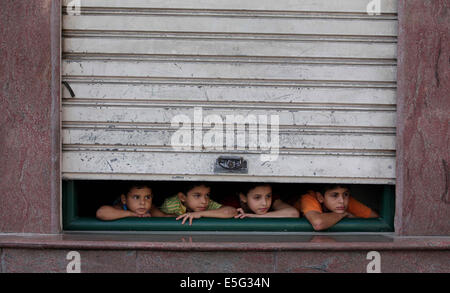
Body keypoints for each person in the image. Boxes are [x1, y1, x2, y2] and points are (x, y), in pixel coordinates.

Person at [294, 184, 379, 231]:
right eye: (334, 195)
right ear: (320, 197)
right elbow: (318, 223)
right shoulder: (309, 197)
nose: (341, 200)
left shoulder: (345, 201)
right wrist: (343, 214)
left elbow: (375, 216)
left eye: (345, 194)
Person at [159, 182, 237, 225]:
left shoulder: (208, 203)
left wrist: (201, 214)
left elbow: (231, 211)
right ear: (182, 197)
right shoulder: (170, 205)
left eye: (207, 195)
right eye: (197, 195)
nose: (204, 201)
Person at [96, 182, 169, 220]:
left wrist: (180, 216)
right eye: (136, 197)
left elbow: (166, 217)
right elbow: (101, 213)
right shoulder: (120, 207)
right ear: (124, 199)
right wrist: (133, 214)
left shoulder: (150, 208)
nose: (143, 203)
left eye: (147, 197)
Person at [228, 183, 299, 218]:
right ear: (243, 197)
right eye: (257, 197)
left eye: (268, 196)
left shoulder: (274, 200)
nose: (264, 203)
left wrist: (255, 216)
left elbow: (293, 213)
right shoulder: (232, 203)